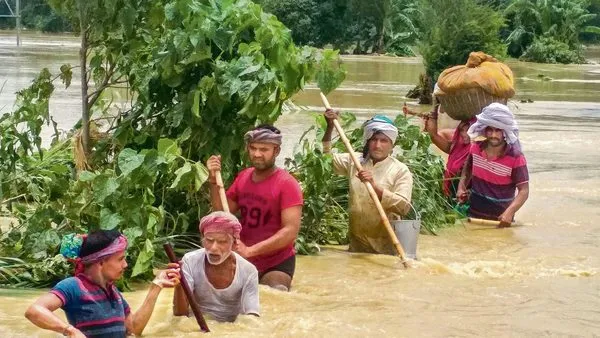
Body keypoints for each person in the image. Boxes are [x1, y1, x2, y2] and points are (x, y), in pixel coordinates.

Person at [24, 230, 180, 338]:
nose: (125, 265)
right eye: (120, 259)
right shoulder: (73, 286)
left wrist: (156, 286)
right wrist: (69, 330)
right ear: (100, 262)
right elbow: (34, 310)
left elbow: (133, 329)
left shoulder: (113, 291)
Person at [206, 124, 303, 291]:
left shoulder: (287, 184)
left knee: (275, 292)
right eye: (253, 148)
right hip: (243, 258)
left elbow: (290, 232)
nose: (257, 154)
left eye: (264, 149)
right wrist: (213, 181)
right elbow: (222, 211)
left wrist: (250, 251)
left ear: (277, 151)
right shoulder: (244, 176)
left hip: (276, 261)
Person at [322, 111, 413, 254]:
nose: (377, 145)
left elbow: (404, 207)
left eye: (384, 141)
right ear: (367, 141)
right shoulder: (355, 161)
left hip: (388, 248)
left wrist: (375, 187)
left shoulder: (400, 170)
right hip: (356, 246)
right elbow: (325, 160)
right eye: (374, 139)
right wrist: (329, 127)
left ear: (392, 145)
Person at [172, 211, 259, 322]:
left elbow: (251, 319)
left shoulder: (249, 271)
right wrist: (179, 286)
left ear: (234, 244)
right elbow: (180, 316)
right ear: (202, 240)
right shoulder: (189, 261)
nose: (213, 248)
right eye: (209, 240)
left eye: (222, 242)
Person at [457, 102, 529, 227]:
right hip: (473, 215)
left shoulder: (516, 157)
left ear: (505, 132)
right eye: (490, 130)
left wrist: (509, 212)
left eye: (498, 131)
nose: (493, 135)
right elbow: (467, 170)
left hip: (500, 221)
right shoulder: (475, 148)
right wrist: (461, 188)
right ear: (484, 130)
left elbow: (524, 191)